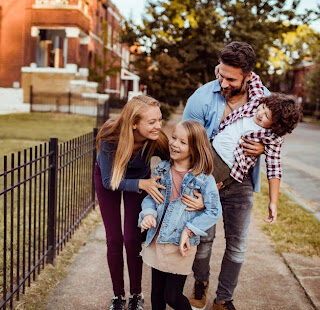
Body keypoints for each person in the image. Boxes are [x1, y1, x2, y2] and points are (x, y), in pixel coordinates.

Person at [182, 42, 272, 310]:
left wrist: (263, 147)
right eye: (220, 74)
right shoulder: (201, 97)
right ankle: (201, 281)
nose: (223, 82)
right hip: (206, 177)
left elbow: (276, 135)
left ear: (247, 76)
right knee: (203, 239)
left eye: (231, 79)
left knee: (237, 244)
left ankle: (224, 298)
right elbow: (185, 140)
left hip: (241, 182)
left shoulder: (265, 99)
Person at [94, 95, 170, 310]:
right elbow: (110, 181)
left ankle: (136, 294)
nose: (158, 126)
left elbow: (176, 162)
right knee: (114, 239)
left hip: (140, 179)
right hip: (110, 179)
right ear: (134, 124)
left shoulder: (156, 139)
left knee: (132, 238)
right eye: (152, 122)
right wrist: (143, 184)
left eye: (160, 119)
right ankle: (118, 296)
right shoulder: (111, 136)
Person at [138, 120, 222, 310]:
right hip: (158, 238)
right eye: (174, 138)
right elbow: (152, 198)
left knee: (173, 296)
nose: (174, 144)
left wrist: (190, 229)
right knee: (157, 294)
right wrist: (148, 214)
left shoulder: (203, 178)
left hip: (180, 244)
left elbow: (214, 210)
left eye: (182, 142)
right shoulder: (162, 168)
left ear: (195, 149)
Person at [212, 92, 301, 222]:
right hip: (212, 146)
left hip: (225, 165)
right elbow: (253, 81)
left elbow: (274, 170)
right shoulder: (255, 105)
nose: (260, 113)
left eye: (266, 116)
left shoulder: (271, 137)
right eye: (263, 108)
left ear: (275, 126)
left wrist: (273, 202)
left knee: (200, 187)